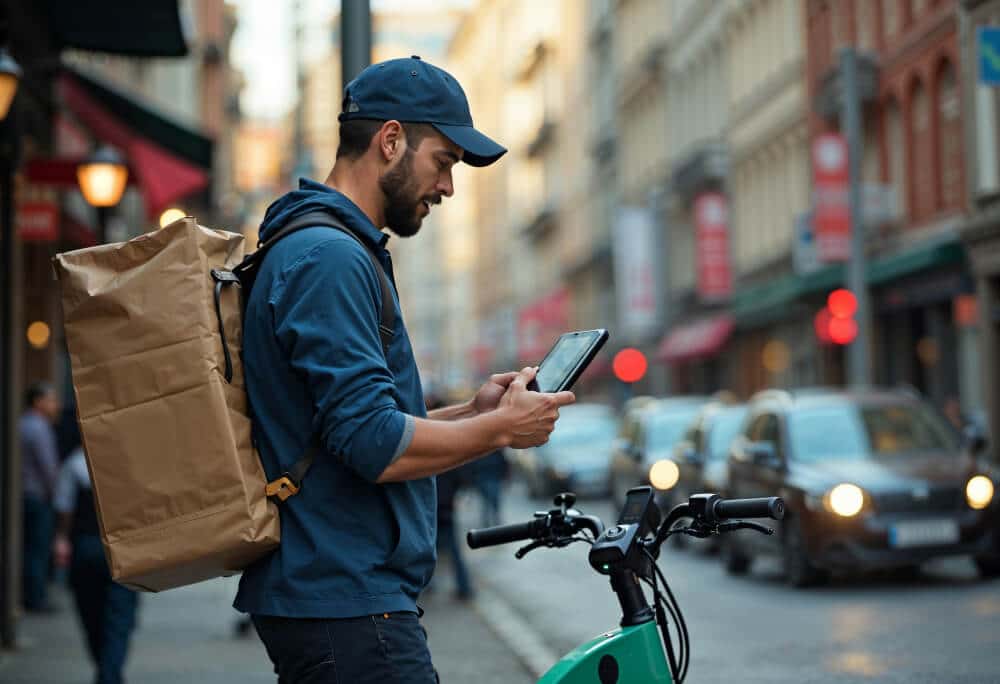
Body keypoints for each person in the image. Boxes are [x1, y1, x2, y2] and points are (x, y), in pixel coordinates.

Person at [233, 56, 576, 683]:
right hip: (345, 602)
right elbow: (374, 446)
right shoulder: (329, 258)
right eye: (443, 161)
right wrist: (502, 432)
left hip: (340, 597)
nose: (448, 187)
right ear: (391, 140)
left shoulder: (325, 248)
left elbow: (346, 428)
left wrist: (474, 414)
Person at [52, 446, 139, 684]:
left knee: (90, 614)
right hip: (123, 550)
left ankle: (106, 672)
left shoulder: (75, 463)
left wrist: (61, 538)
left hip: (86, 547)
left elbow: (64, 506)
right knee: (119, 619)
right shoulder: (128, 461)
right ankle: (109, 673)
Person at [20, 381, 61, 612]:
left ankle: (30, 595)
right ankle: (36, 599)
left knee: (29, 550)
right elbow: (48, 468)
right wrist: (58, 496)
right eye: (51, 399)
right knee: (37, 550)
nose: (55, 405)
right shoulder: (38, 428)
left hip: (26, 496)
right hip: (38, 497)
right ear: (38, 402)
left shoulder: (23, 424)